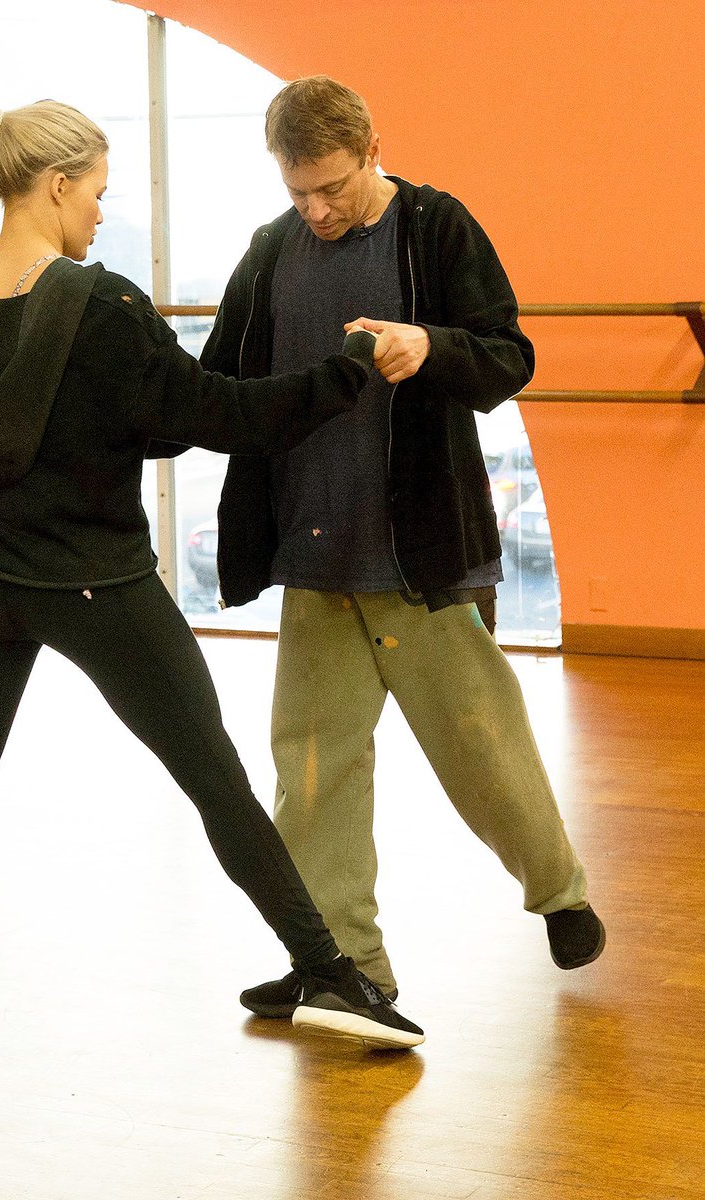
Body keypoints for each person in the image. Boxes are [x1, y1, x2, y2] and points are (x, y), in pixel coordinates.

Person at [0, 98, 426, 1062]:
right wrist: (353, 366)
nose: (102, 213)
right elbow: (225, 417)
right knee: (217, 780)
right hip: (96, 583)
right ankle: (326, 972)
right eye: (98, 192)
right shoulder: (101, 302)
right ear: (57, 185)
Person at [197, 76, 605, 1018]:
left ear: (373, 146)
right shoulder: (269, 253)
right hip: (312, 560)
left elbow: (508, 355)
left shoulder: (436, 228)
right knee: (309, 774)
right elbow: (219, 382)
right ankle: (348, 967)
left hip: (416, 555)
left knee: (481, 743)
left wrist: (432, 346)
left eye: (332, 186)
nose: (318, 208)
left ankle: (561, 895)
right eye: (299, 191)